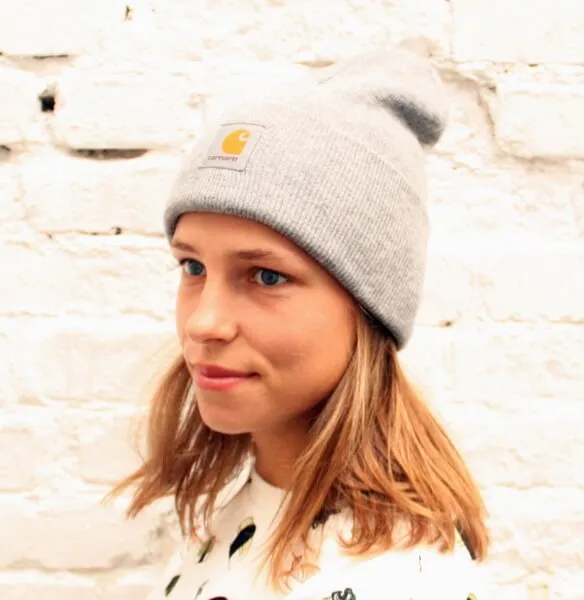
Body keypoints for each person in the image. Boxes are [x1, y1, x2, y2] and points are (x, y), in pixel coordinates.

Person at [111, 48, 491, 599]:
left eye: (266, 276)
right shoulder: (250, 508)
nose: (204, 322)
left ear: (368, 306)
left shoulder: (400, 580)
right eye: (192, 267)